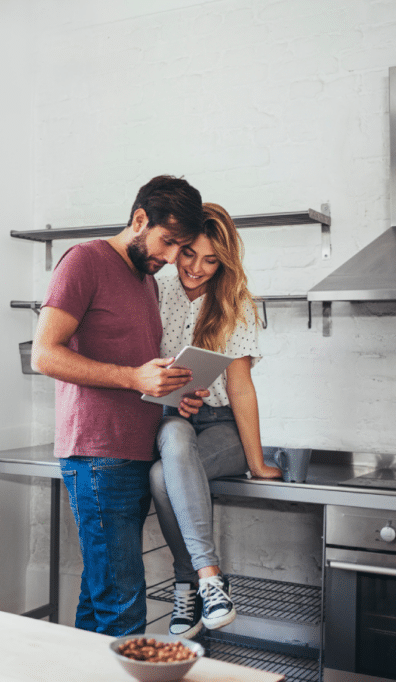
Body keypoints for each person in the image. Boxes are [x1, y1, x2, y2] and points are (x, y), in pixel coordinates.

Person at [30, 175, 206, 636]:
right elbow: (44, 353)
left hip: (133, 452)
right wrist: (132, 377)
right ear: (139, 219)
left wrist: (174, 388)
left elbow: (134, 369)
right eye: (168, 242)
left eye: (178, 248)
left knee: (100, 598)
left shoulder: (144, 278)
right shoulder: (84, 261)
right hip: (97, 456)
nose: (170, 259)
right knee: (124, 609)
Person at [149, 202, 282, 639]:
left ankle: (189, 582)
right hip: (173, 417)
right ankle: (209, 578)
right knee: (167, 452)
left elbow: (241, 387)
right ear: (177, 248)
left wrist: (258, 463)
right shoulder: (155, 291)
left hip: (221, 426)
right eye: (189, 254)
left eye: (211, 260)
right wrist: (171, 393)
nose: (197, 268)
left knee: (162, 475)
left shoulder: (233, 301)